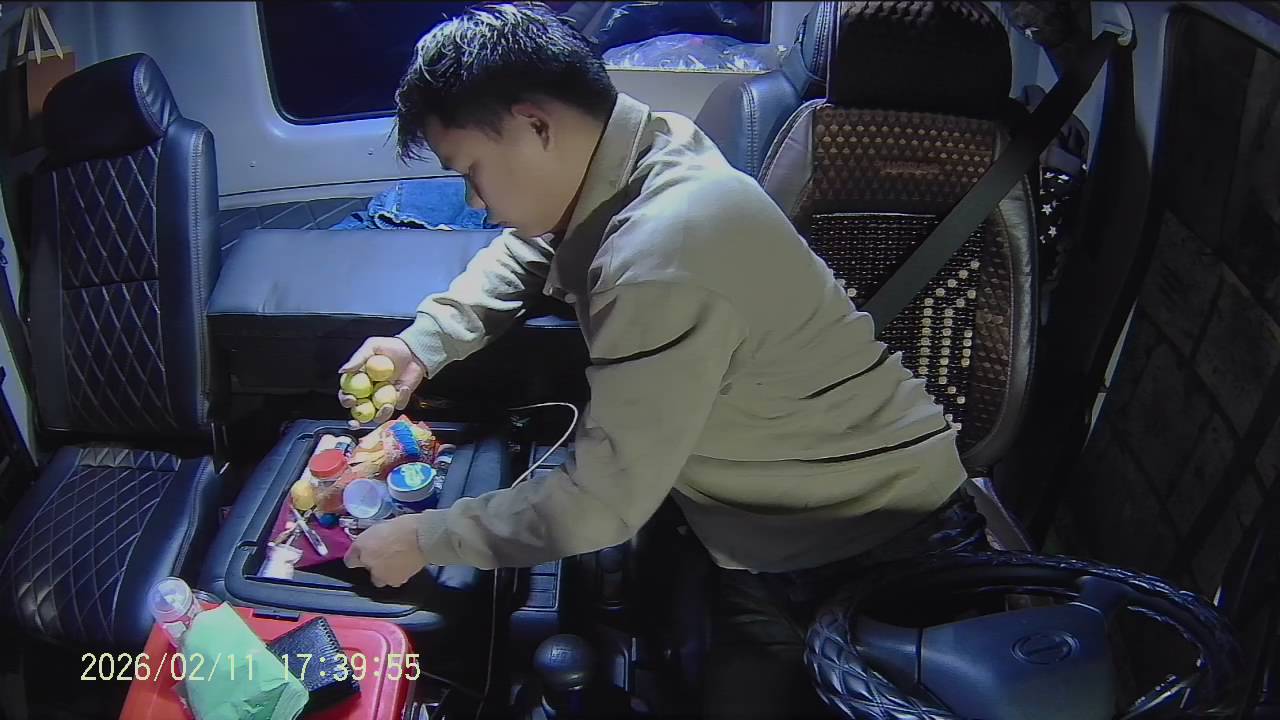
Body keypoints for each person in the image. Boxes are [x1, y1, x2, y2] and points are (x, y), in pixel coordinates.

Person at [338, 3, 986, 717]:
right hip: (766, 519)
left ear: (534, 126)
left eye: (473, 171)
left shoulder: (661, 254)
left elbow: (601, 502)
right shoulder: (648, 144)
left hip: (872, 539)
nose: (475, 200)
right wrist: (423, 342)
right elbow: (532, 244)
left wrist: (426, 538)